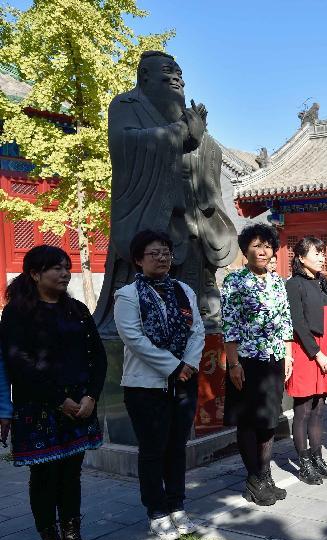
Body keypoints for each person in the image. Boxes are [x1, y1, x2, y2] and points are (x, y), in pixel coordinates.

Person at [94, 51, 238, 338]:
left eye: (180, 73)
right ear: (144, 75)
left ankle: (195, 318)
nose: (177, 78)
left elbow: (206, 148)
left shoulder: (186, 115)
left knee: (192, 276)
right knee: (150, 264)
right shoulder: (126, 104)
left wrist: (201, 140)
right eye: (168, 70)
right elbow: (124, 144)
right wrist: (180, 133)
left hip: (189, 210)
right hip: (149, 209)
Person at [1, 245, 107, 540]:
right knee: (45, 479)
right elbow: (20, 364)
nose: (64, 274)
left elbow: (98, 356)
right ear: (35, 274)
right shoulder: (18, 312)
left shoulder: (76, 310)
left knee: (71, 476)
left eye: (66, 267)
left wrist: (91, 395)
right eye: (55, 269)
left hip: (80, 408)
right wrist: (59, 400)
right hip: (40, 411)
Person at [115, 230, 205, 540]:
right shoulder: (127, 296)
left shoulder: (183, 290)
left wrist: (189, 365)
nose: (162, 257)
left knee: (176, 448)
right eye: (154, 253)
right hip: (145, 387)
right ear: (138, 260)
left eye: (166, 251)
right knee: (153, 450)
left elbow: (197, 330)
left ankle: (177, 505)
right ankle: (156, 510)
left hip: (183, 383)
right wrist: (174, 366)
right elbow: (135, 339)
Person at [222, 224, 293, 506]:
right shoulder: (234, 281)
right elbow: (229, 325)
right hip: (247, 360)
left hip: (274, 358)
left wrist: (288, 355)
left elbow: (285, 320)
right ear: (245, 249)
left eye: (267, 246)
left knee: (269, 420)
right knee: (249, 421)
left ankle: (264, 474)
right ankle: (253, 478)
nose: (262, 251)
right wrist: (233, 363)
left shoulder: (277, 281)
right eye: (256, 245)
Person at [285, 236, 327, 485]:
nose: (321, 257)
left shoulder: (322, 283)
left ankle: (318, 458)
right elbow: (297, 323)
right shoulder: (294, 284)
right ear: (300, 257)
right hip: (307, 353)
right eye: (316, 253)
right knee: (303, 410)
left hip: (326, 352)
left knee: (320, 408)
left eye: (322, 253)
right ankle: (304, 463)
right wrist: (317, 353)